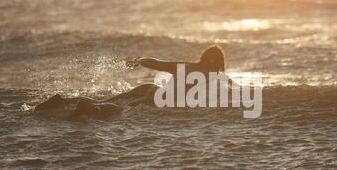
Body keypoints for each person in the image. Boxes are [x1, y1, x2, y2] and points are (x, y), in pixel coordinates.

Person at [35, 45, 227, 119]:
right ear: (215, 61)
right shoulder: (213, 77)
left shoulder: (185, 65)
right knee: (118, 110)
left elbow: (156, 63)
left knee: (107, 101)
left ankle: (62, 101)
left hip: (152, 88)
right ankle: (86, 106)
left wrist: (138, 61)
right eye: (219, 63)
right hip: (160, 99)